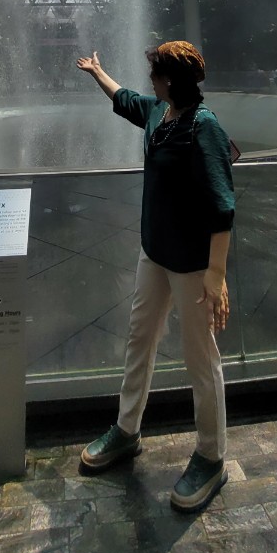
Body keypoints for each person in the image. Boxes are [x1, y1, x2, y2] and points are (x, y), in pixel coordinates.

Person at [76, 41, 235, 513]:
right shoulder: (159, 115)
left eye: (155, 74)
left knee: (200, 357)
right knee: (139, 338)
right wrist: (97, 73)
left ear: (170, 80)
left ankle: (212, 456)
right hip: (155, 255)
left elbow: (223, 206)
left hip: (191, 265)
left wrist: (216, 276)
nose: (149, 80)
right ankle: (127, 430)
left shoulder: (202, 127)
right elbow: (123, 97)